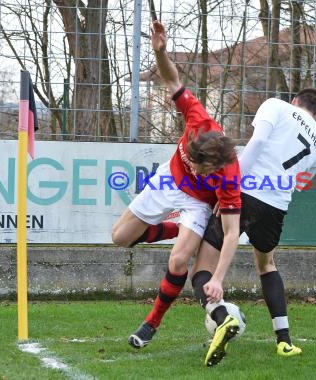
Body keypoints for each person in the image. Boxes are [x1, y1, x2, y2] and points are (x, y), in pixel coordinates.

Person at [111, 20, 242, 350]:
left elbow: (230, 234)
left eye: (202, 169)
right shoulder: (197, 118)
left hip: (198, 204)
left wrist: (218, 278)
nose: (197, 170)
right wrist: (160, 53)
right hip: (167, 181)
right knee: (120, 238)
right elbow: (171, 79)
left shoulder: (229, 174)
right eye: (195, 163)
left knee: (178, 261)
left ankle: (151, 324)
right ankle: (177, 229)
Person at [191, 88, 316, 366]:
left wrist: (232, 185)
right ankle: (284, 341)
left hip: (245, 192)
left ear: (295, 102)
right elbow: (299, 184)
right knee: (266, 265)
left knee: (202, 267)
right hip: (276, 206)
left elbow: (258, 141)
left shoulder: (276, 106)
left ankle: (220, 315)